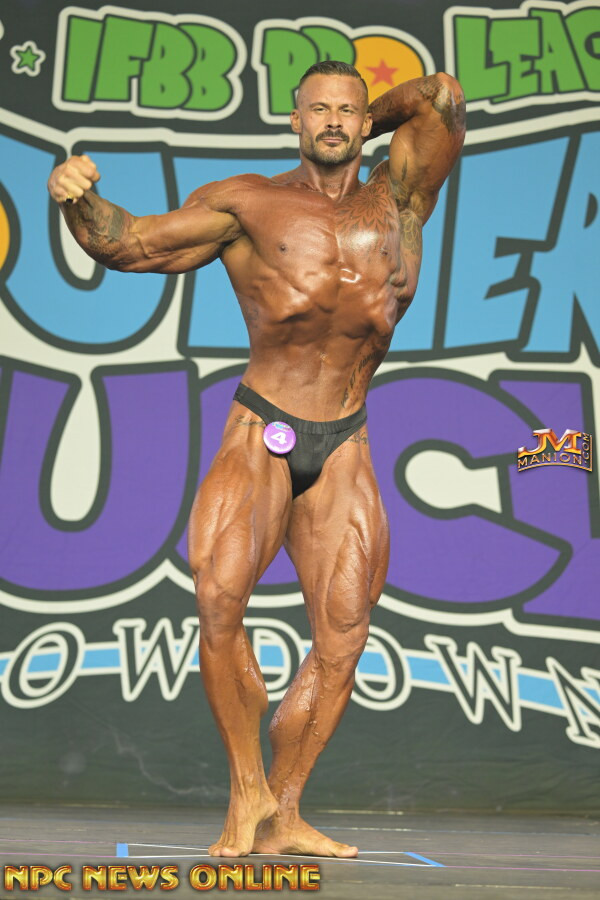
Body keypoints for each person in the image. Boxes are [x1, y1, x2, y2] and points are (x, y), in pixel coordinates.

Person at [48, 60, 465, 858]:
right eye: (319, 110)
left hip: (346, 437)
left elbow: (441, 95)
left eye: (348, 111)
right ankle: (246, 790)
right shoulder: (248, 204)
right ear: (294, 121)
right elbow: (127, 244)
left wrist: (370, 120)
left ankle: (285, 810)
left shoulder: (402, 199)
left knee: (344, 636)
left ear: (367, 121)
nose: (334, 121)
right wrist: (75, 200)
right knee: (219, 599)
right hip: (264, 425)